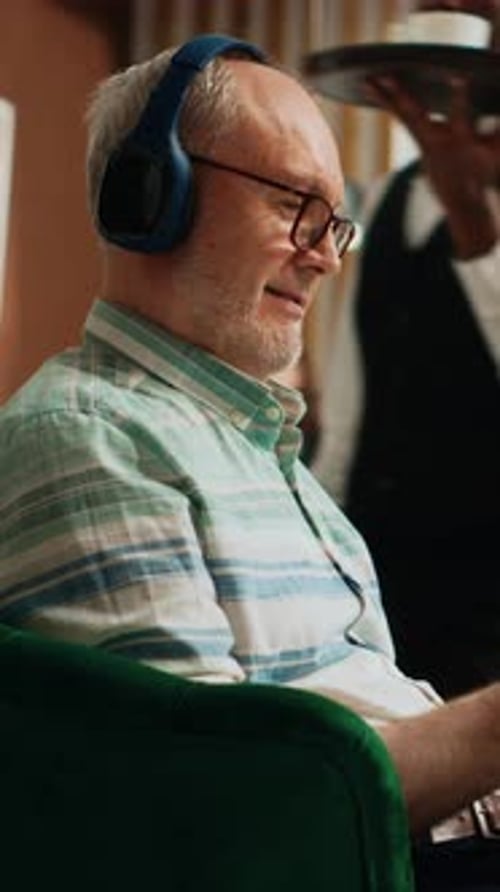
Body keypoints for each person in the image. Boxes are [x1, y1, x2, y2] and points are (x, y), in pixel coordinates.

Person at [0, 31, 500, 890]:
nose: (325, 255)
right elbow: (233, 814)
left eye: (331, 221)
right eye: (293, 203)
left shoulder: (265, 455)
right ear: (152, 193)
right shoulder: (91, 439)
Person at [312, 0, 500, 700]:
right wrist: (327, 521)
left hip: (484, 590)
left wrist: (472, 216)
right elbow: (352, 379)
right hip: (378, 567)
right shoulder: (387, 196)